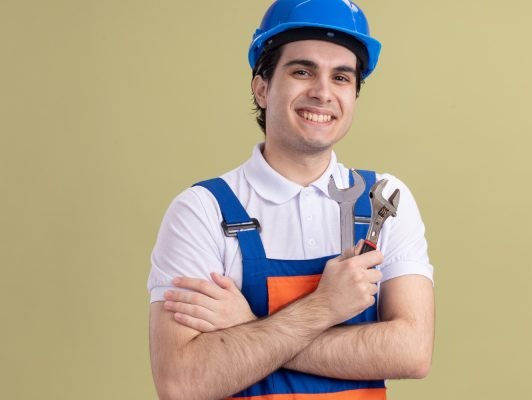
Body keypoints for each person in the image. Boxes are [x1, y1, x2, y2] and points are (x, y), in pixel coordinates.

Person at [147, 0, 435, 399]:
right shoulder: (201, 212)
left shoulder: (384, 200)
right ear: (262, 88)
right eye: (302, 71)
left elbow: (411, 352)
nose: (322, 93)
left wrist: (249, 325)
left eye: (341, 77)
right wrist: (324, 308)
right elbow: (182, 383)